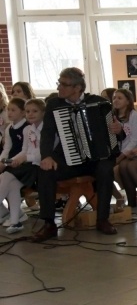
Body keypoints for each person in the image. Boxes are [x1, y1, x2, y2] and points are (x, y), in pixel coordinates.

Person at [31, 67, 121, 242]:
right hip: (68, 157)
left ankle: (103, 219)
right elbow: (47, 133)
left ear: (77, 88)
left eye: (64, 84)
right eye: (59, 83)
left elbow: (115, 134)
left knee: (105, 170)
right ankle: (49, 224)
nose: (59, 88)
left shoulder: (100, 103)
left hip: (96, 158)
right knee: (45, 171)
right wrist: (46, 156)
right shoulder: (54, 104)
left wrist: (118, 130)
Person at [0, 98, 45, 234]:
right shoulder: (29, 130)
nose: (30, 114)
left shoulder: (44, 129)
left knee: (6, 177)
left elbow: (42, 153)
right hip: (27, 164)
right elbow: (25, 149)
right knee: (13, 184)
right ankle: (15, 221)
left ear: (43, 113)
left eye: (34, 111)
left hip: (36, 166)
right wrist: (14, 160)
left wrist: (23, 159)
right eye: (28, 111)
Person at [111, 89, 137, 211]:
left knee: (116, 170)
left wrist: (120, 157)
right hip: (119, 152)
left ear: (128, 101)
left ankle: (131, 193)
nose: (116, 100)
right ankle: (129, 193)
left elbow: (134, 140)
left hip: (134, 151)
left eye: (120, 98)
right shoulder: (112, 116)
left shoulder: (134, 116)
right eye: (114, 98)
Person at [0, 98, 30, 227]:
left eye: (13, 110)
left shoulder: (27, 128)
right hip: (11, 164)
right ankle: (16, 217)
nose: (9, 113)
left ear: (23, 113)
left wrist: (8, 162)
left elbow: (26, 150)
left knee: (4, 177)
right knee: (11, 185)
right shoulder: (9, 129)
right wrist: (1, 161)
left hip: (24, 165)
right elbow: (7, 148)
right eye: (8, 110)